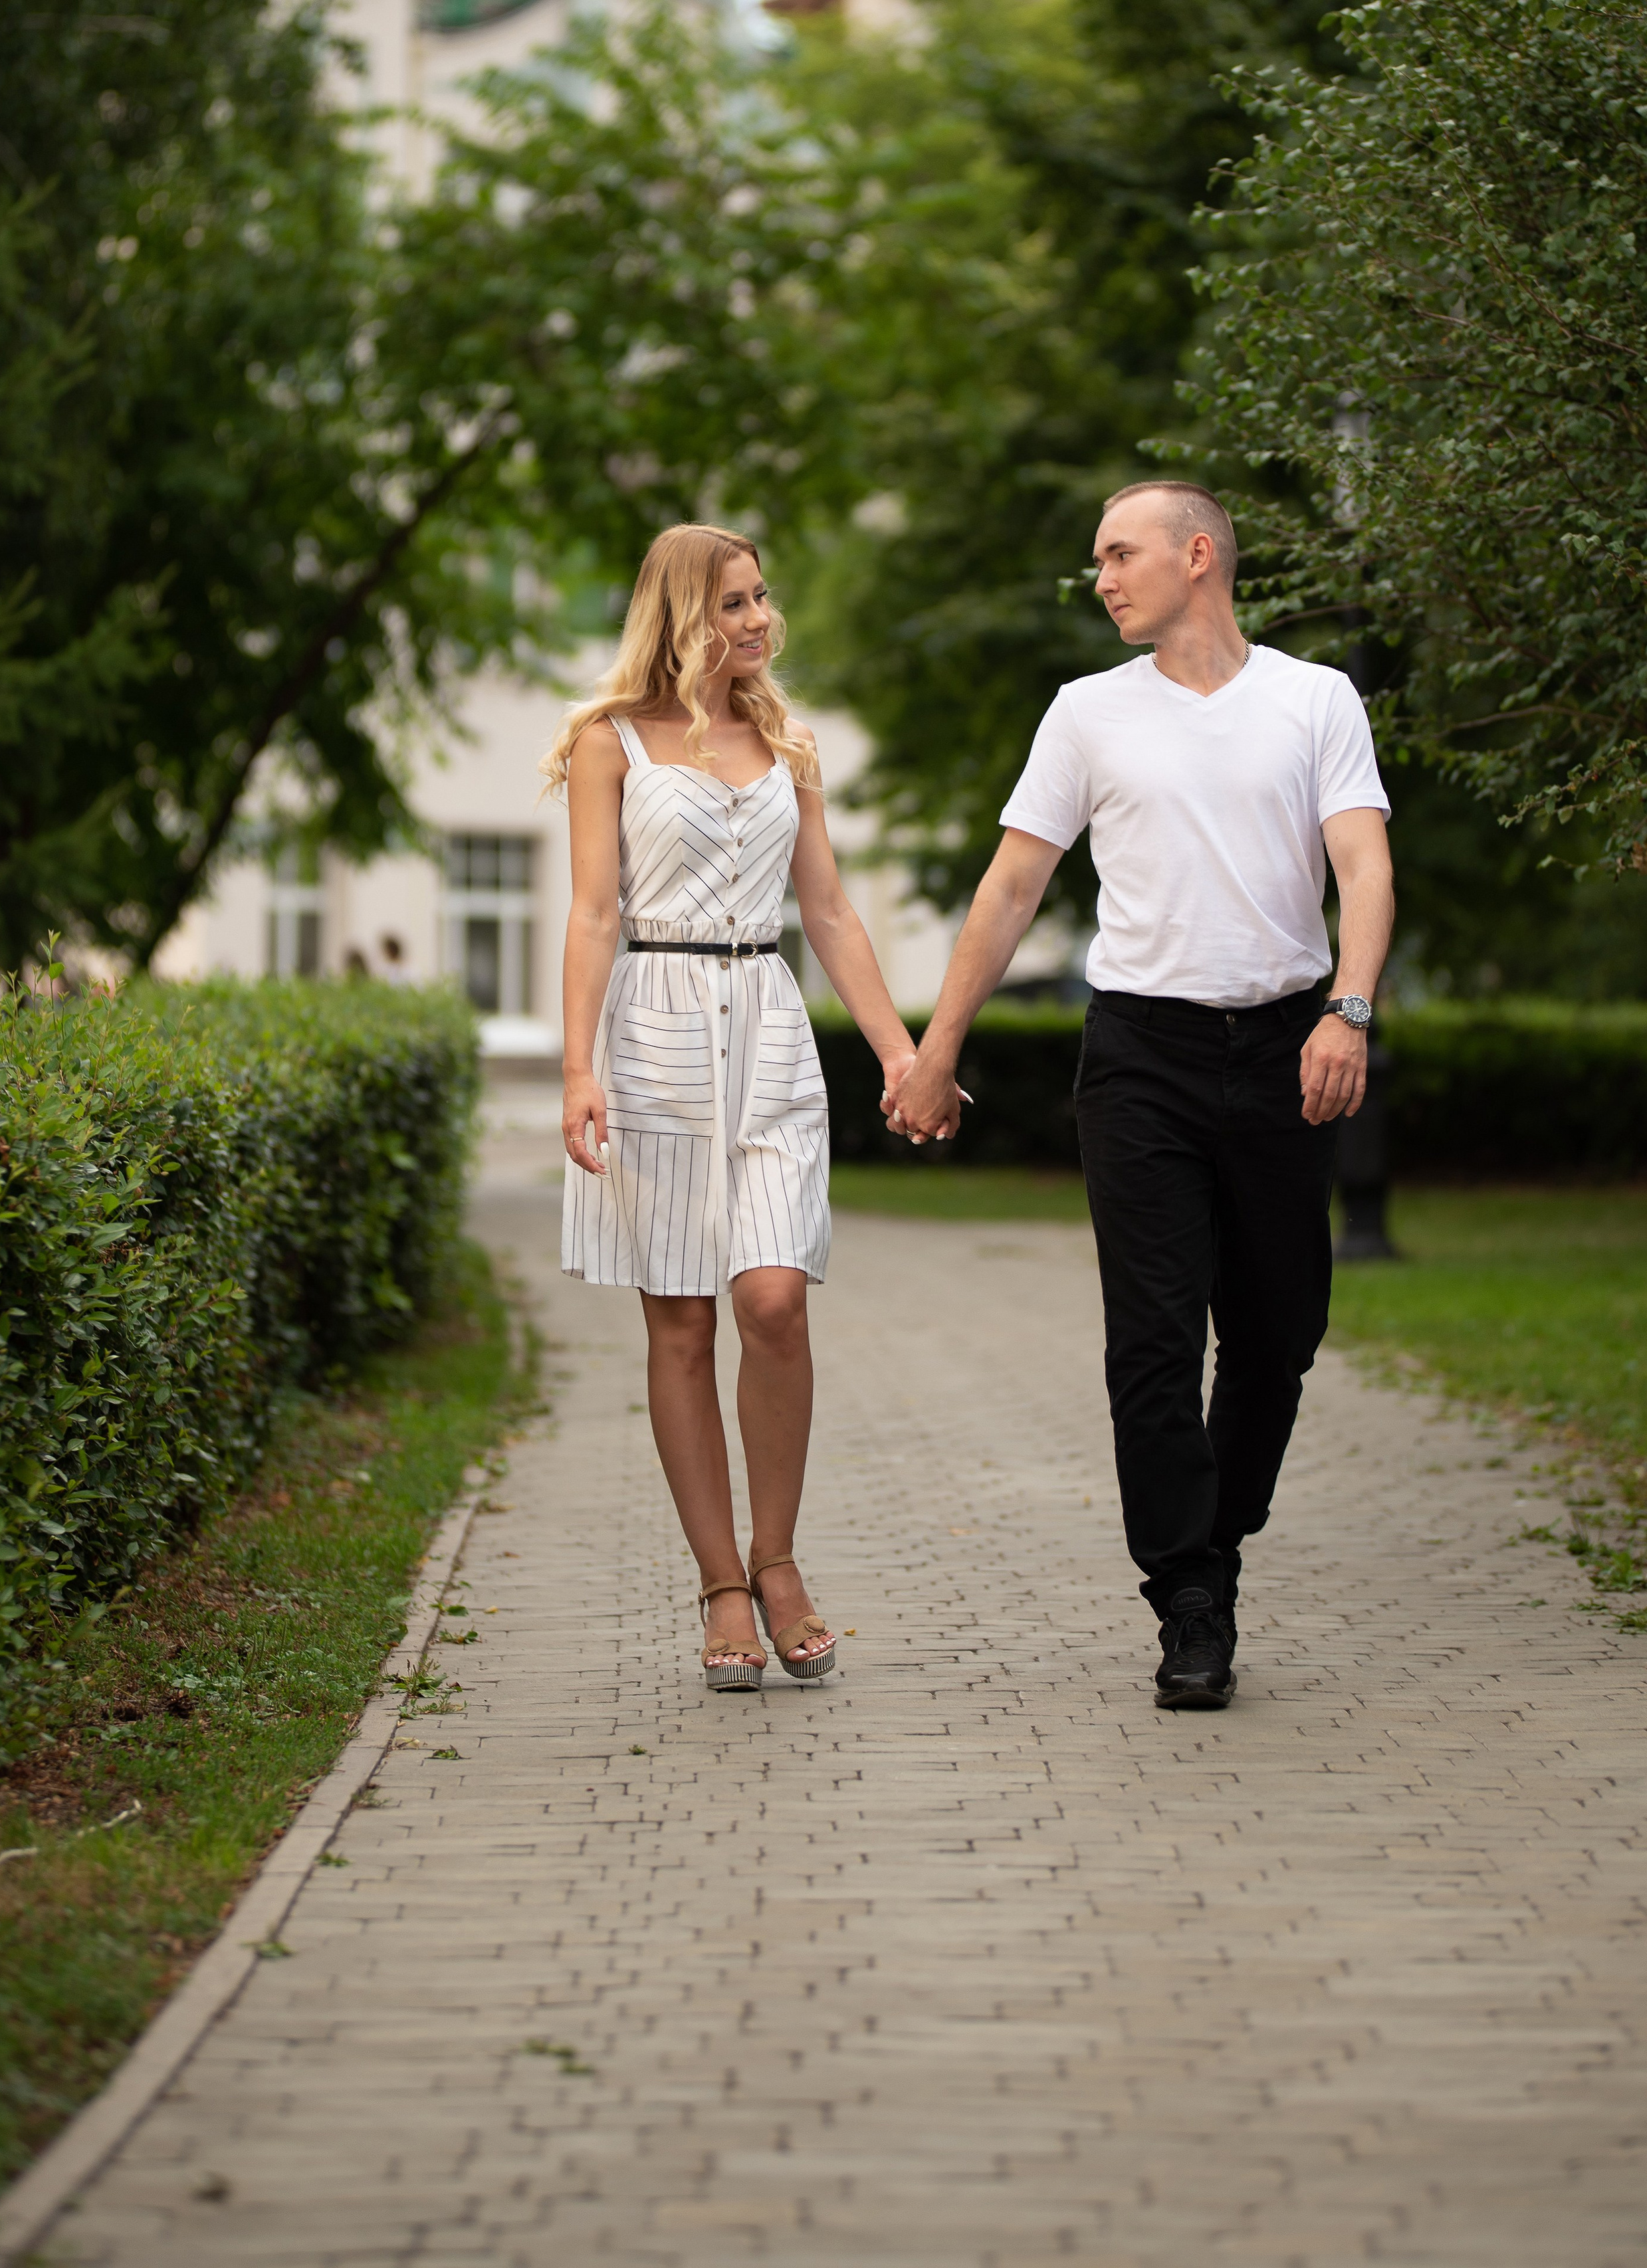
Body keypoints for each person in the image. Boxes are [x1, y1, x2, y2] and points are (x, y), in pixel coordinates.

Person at [886, 480, 1394, 1710]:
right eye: (1097, 561)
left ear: (1199, 554)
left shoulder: (1313, 699)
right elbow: (1011, 891)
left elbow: (1364, 863)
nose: (1101, 578)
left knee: (1277, 1334)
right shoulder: (1086, 714)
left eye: (1120, 555)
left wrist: (1350, 1007)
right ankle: (1189, 1594)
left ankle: (1216, 1528)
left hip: (1286, 1046)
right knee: (1155, 1338)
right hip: (1140, 1058)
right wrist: (936, 1048)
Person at [549, 523, 950, 1691]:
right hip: (654, 1028)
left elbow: (828, 913)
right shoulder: (605, 741)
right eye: (733, 602)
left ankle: (779, 1561)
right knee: (681, 1324)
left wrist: (901, 1054)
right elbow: (588, 914)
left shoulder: (788, 745)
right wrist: (578, 1067)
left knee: (774, 1299)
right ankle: (723, 1585)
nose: (756, 619)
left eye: (761, 597)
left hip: (769, 1030)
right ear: (682, 612)